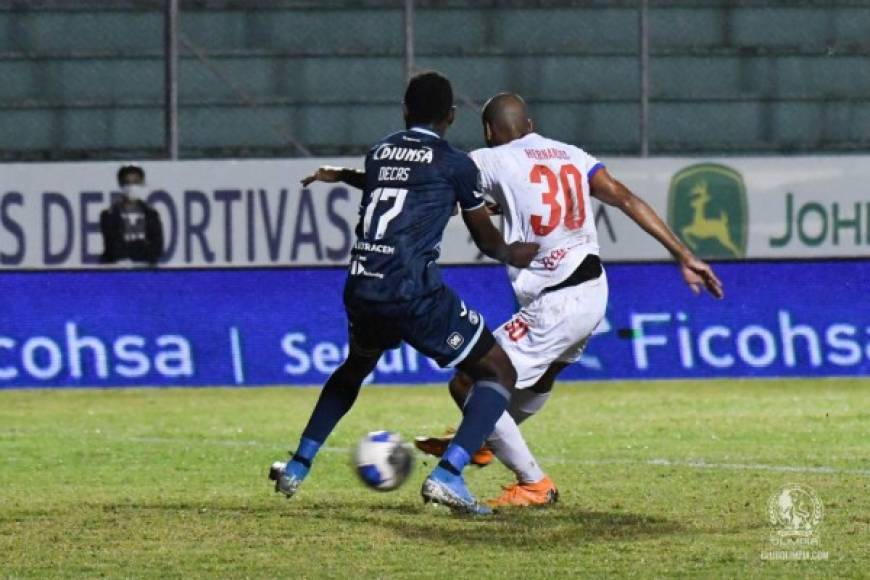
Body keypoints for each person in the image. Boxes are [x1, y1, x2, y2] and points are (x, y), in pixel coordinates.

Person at [307, 93, 724, 508]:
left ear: (489, 131)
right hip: (594, 290)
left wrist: (345, 176)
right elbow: (625, 198)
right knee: (542, 376)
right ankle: (486, 438)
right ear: (529, 123)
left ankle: (532, 482)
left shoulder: (489, 161)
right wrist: (685, 255)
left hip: (554, 301)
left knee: (469, 381)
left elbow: (417, 185)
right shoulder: (571, 154)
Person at [269, 73, 539, 515]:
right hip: (412, 292)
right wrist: (518, 250)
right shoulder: (455, 163)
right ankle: (449, 475)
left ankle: (299, 464)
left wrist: (340, 176)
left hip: (362, 286)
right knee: (497, 373)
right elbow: (489, 243)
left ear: (405, 110)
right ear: (451, 117)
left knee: (355, 367)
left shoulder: (379, 152)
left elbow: (391, 182)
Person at [100, 164, 163, 264]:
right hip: (118, 271)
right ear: (121, 185)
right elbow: (112, 249)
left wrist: (129, 248)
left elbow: (157, 249)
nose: (131, 187)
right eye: (127, 183)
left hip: (146, 271)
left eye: (136, 182)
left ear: (142, 183)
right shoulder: (109, 215)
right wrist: (141, 245)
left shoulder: (152, 215)